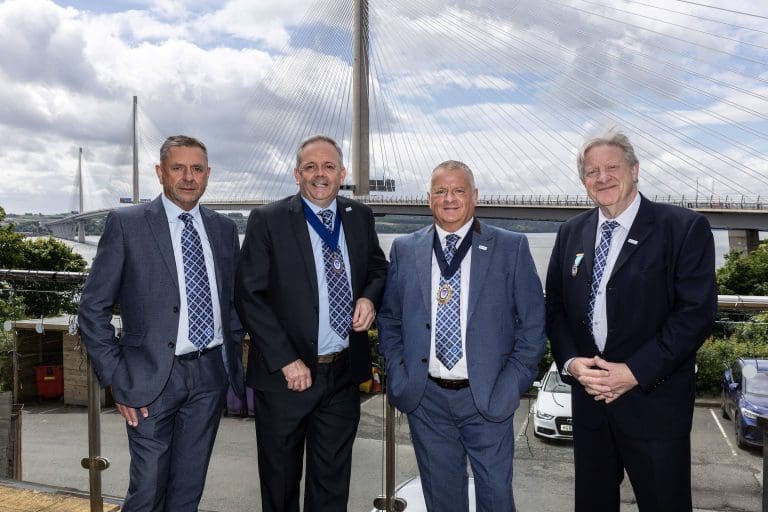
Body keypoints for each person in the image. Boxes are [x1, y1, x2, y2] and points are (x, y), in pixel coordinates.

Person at [545, 129, 717, 512]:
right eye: (592, 172)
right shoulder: (571, 232)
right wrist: (571, 363)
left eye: (612, 168)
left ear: (635, 170)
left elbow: (695, 314)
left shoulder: (683, 228)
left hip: (654, 406)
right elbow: (555, 307)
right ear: (583, 180)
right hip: (591, 404)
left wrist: (634, 372)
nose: (602, 178)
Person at [78, 135, 245, 512]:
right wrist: (118, 378)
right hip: (150, 380)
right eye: (178, 168)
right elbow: (92, 308)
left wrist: (229, 360)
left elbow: (232, 302)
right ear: (160, 172)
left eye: (197, 169)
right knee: (148, 492)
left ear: (208, 174)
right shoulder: (127, 224)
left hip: (209, 376)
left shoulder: (223, 229)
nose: (188, 177)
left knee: (188, 492)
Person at [377, 160, 546, 512]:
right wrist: (399, 374)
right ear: (429, 199)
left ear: (475, 196)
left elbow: (533, 326)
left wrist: (510, 386)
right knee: (443, 502)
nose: (449, 198)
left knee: (496, 499)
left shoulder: (510, 247)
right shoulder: (405, 249)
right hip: (427, 401)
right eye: (440, 191)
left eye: (458, 190)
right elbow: (390, 319)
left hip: (487, 398)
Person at [234, 134, 388, 512]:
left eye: (329, 166)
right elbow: (248, 295)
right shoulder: (268, 220)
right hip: (285, 379)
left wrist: (369, 297)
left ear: (342, 174)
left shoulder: (359, 216)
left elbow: (377, 268)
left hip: (341, 376)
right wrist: (287, 360)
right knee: (280, 486)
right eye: (311, 167)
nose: (321, 174)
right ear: (297, 174)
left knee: (331, 487)